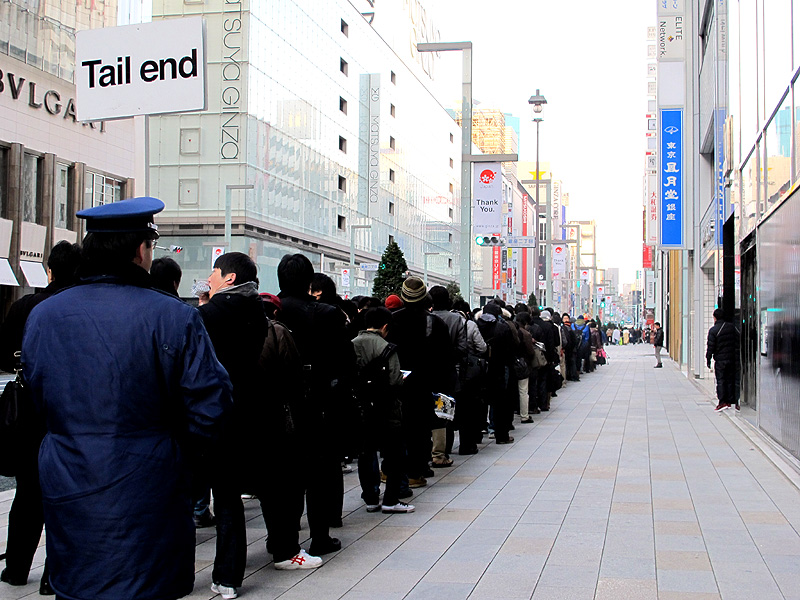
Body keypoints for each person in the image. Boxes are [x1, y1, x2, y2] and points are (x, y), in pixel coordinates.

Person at [21, 197, 233, 600]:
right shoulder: (174, 316)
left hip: (69, 482)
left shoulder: (44, 315)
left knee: (79, 584)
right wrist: (178, 460)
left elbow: (37, 394)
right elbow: (212, 409)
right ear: (141, 250)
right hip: (151, 487)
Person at [0, 240, 81, 596]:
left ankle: (17, 568)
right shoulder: (81, 307)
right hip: (69, 410)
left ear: (49, 270)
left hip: (28, 410)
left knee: (27, 492)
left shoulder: (24, 306)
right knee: (65, 493)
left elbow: (4, 357)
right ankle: (53, 574)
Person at [277, 254, 354, 555]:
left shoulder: (269, 311)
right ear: (310, 281)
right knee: (319, 474)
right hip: (319, 402)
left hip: (278, 403)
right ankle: (319, 536)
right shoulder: (327, 313)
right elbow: (345, 362)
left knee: (284, 474)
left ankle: (280, 535)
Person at [387, 277, 453, 485]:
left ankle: (390, 470)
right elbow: (446, 358)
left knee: (398, 428)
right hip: (426, 383)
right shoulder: (435, 323)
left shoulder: (391, 321)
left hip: (398, 382)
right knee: (422, 428)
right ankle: (417, 471)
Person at [352, 307, 415, 513]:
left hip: (361, 408)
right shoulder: (387, 347)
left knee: (366, 452)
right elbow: (395, 380)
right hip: (387, 408)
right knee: (394, 454)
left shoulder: (351, 344)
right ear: (385, 326)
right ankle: (391, 500)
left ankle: (370, 498)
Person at [429, 285, 466, 468]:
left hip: (427, 372)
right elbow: (462, 346)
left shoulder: (427, 318)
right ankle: (442, 451)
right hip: (447, 372)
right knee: (444, 411)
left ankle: (428, 449)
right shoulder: (456, 319)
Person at [476, 302, 516, 443]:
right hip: (498, 368)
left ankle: (476, 434)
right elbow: (511, 350)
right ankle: (501, 435)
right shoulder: (502, 327)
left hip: (478, 369)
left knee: (478, 402)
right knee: (500, 403)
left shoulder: (475, 325)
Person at [706, 308, 741, 411]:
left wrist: (708, 359)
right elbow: (738, 342)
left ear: (715, 317)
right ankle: (732, 400)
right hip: (732, 359)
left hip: (720, 360)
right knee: (731, 380)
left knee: (721, 380)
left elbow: (710, 346)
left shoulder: (714, 330)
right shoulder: (733, 328)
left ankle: (722, 402)